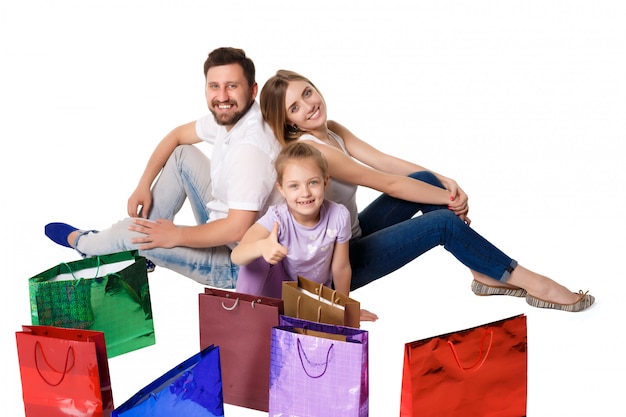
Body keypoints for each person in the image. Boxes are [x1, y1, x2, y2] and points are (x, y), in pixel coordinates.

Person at [258, 69, 594, 312]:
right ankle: (531, 281)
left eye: (307, 93)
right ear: (290, 122)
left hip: (351, 235)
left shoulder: (331, 130)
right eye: (295, 107)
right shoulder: (316, 151)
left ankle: (483, 274)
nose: (308, 105)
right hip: (335, 266)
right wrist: (450, 201)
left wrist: (443, 180)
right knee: (442, 225)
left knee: (425, 180)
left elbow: (385, 162)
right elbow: (383, 182)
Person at [44, 47, 283, 288]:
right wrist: (143, 184)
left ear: (253, 90)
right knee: (182, 155)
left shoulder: (251, 148)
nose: (222, 96)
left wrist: (176, 235)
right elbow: (178, 136)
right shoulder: (233, 114)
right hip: (223, 224)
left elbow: (237, 229)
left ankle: (85, 244)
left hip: (241, 264)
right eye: (214, 86)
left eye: (232, 86)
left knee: (131, 232)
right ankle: (144, 250)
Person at [231, 142, 378, 321]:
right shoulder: (278, 217)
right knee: (254, 257)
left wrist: (345, 309)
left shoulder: (338, 215)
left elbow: (340, 267)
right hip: (278, 293)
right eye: (294, 186)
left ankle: (306, 314)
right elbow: (237, 256)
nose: (305, 193)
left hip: (313, 296)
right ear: (282, 189)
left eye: (313, 182)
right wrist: (262, 247)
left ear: (325, 182)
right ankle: (242, 317)